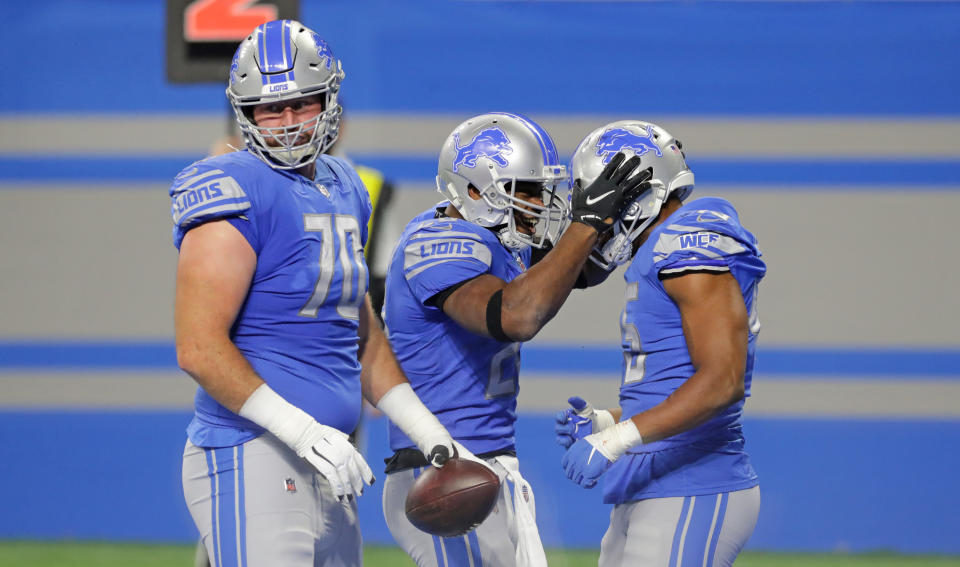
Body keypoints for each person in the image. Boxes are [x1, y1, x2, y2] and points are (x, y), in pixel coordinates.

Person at [172, 20, 457, 567]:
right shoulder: (231, 186)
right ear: (244, 112)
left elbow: (361, 330)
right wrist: (303, 432)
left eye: (301, 104)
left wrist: (427, 431)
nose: (286, 123)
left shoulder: (344, 183)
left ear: (330, 99)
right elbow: (199, 348)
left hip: (330, 457)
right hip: (253, 450)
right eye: (269, 109)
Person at [380, 112, 651, 567]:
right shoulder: (437, 240)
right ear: (473, 189)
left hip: (484, 464)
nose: (538, 203)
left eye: (541, 190)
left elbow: (574, 270)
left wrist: (610, 218)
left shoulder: (496, 238)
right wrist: (586, 225)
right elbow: (514, 315)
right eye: (523, 190)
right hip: (444, 468)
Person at [555, 120, 765, 567]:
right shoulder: (657, 254)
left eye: (604, 200)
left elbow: (722, 383)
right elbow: (672, 381)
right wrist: (605, 421)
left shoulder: (686, 245)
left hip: (693, 481)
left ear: (638, 194)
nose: (595, 218)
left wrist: (615, 441)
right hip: (652, 479)